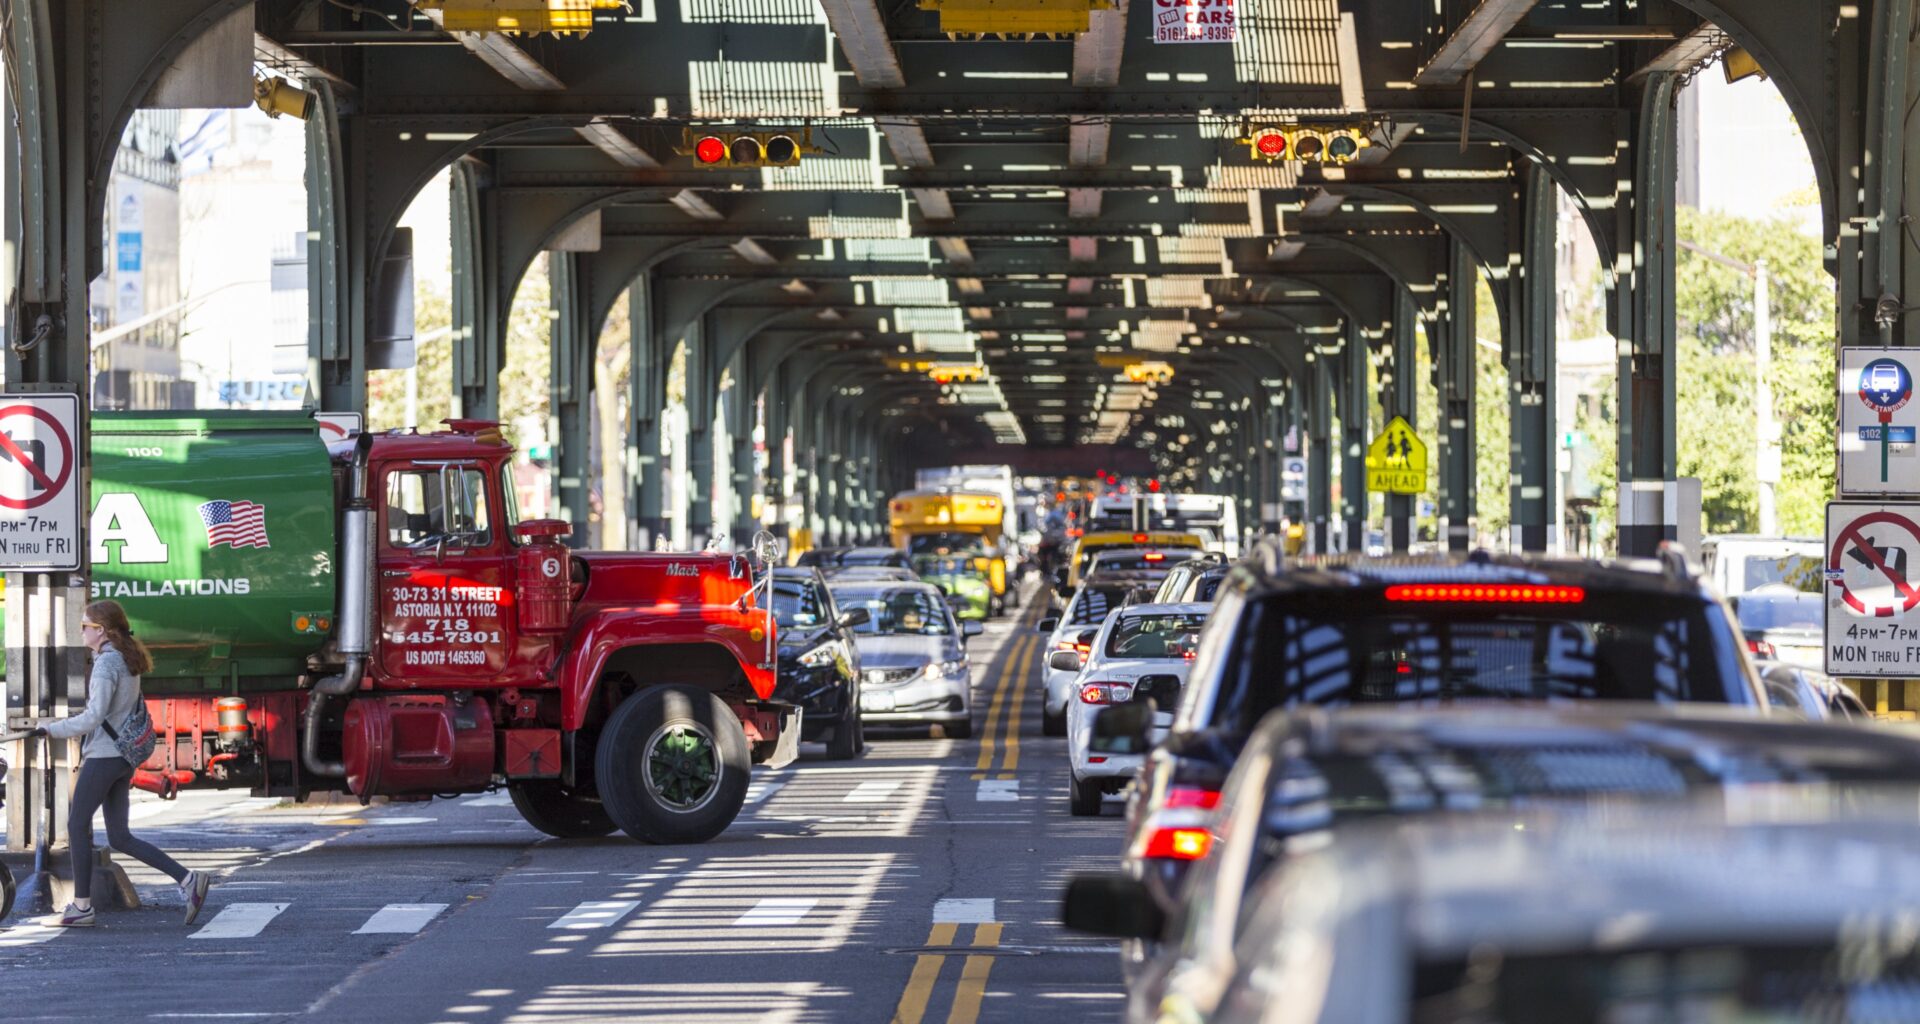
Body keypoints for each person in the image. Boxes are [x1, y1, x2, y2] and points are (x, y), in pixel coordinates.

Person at [28, 601, 210, 927]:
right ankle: (188, 880)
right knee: (120, 837)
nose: (81, 630)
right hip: (122, 756)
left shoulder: (106, 665)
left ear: (101, 630)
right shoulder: (124, 658)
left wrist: (51, 729)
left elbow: (94, 716)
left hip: (105, 755)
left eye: (85, 626)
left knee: (76, 825)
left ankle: (82, 907)